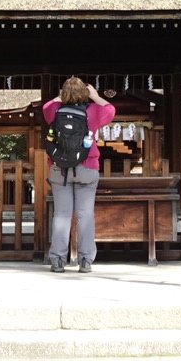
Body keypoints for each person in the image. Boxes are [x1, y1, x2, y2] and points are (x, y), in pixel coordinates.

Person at [41, 77, 115, 273]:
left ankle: (57, 259)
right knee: (85, 215)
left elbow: (47, 106)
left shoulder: (55, 111)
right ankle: (85, 260)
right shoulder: (93, 112)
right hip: (87, 166)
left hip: (59, 169)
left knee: (62, 215)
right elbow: (111, 110)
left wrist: (63, 93)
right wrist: (96, 96)